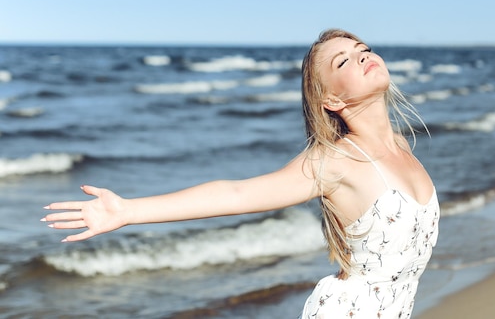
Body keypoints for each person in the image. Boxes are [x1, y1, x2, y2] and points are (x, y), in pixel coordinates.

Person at [42, 29, 439, 318]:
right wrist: (128, 211)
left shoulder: (402, 147)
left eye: (363, 49)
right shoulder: (334, 161)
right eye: (344, 61)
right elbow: (235, 193)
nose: (363, 56)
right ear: (332, 98)